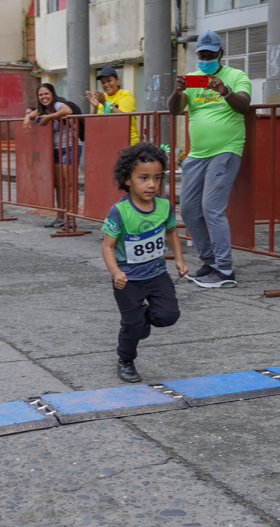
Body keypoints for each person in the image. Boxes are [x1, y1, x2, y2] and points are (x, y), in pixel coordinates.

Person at [168, 30, 251, 289]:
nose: (205, 59)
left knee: (211, 207)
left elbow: (244, 106)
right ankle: (210, 262)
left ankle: (225, 271)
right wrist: (177, 91)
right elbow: (175, 110)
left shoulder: (236, 76)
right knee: (190, 210)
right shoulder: (193, 79)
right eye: (201, 55)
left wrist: (224, 91)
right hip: (197, 154)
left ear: (220, 54)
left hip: (226, 149)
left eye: (210, 55)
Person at [101, 142, 187, 383]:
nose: (152, 184)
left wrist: (179, 261)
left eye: (157, 178)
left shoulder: (163, 206)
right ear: (127, 179)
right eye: (144, 178)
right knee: (132, 326)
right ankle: (126, 360)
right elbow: (107, 246)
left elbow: (171, 233)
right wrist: (115, 272)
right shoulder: (120, 211)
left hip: (157, 274)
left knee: (169, 315)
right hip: (127, 280)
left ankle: (144, 319)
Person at [23, 83, 79, 228]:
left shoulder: (57, 105)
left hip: (70, 147)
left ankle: (71, 219)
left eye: (46, 94)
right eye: (41, 95)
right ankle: (61, 218)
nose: (44, 97)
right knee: (59, 185)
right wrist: (28, 117)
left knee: (70, 185)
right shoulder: (43, 109)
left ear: (52, 94)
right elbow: (33, 114)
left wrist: (49, 117)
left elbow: (67, 110)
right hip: (54, 150)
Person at [86, 67, 139, 145]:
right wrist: (95, 107)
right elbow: (93, 125)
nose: (106, 84)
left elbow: (124, 117)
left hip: (128, 143)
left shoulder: (125, 94)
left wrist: (105, 103)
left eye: (109, 81)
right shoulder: (101, 97)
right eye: (103, 82)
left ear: (117, 80)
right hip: (107, 143)